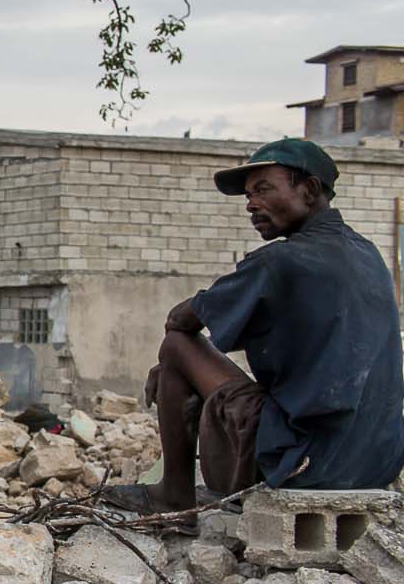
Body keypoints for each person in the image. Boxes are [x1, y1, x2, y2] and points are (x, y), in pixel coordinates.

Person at [109, 138, 404, 514]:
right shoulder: (368, 254)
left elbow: (179, 320)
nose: (251, 204)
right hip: (375, 465)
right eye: (248, 195)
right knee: (181, 359)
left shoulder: (279, 262)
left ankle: (173, 495)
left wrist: (173, 366)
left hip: (307, 465)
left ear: (310, 189)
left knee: (177, 347)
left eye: (264, 189)